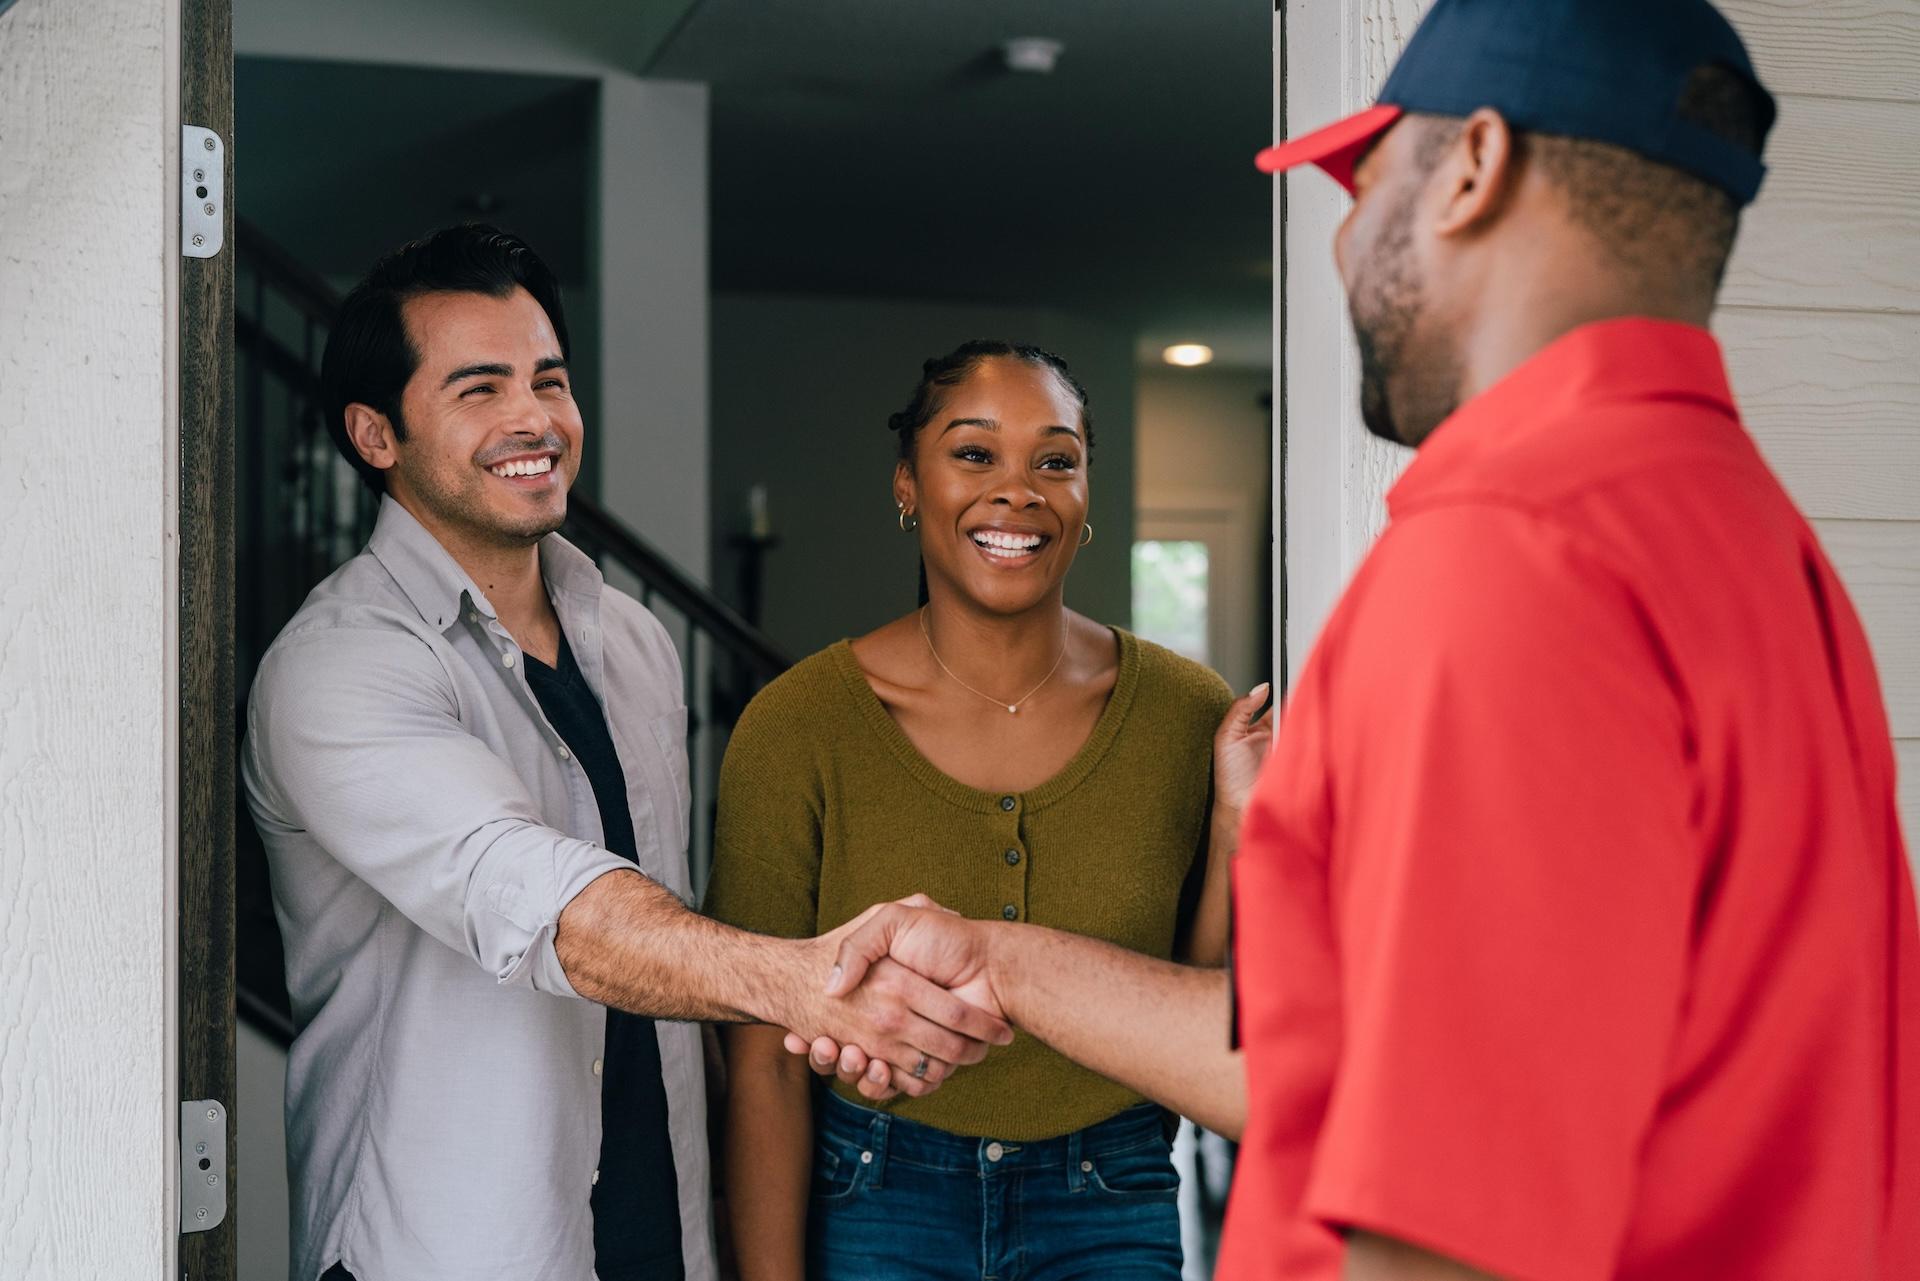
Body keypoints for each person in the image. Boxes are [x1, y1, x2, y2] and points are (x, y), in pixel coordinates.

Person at [788, 2, 1920, 1279]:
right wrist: (1003, 960)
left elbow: (1441, 1227)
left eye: (1362, 178)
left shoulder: (1509, 558)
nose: (1341, 242)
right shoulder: (1764, 550)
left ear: (1476, 169)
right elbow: (1346, 1068)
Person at [242, 225, 1009, 1281]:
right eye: (478, 390)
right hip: (453, 1246)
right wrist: (804, 983)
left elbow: (663, 918)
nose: (534, 419)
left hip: (654, 1237)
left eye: (548, 380)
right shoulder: (338, 670)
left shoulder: (633, 639)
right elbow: (552, 906)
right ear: (377, 436)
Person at [701, 340, 1272, 1280]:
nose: (1018, 491)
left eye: (1056, 461)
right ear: (907, 486)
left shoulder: (1186, 714)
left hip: (1112, 1190)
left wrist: (1235, 826)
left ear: (1087, 500)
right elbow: (760, 1059)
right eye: (974, 454)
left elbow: (1194, 1003)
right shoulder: (799, 724)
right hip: (874, 1195)